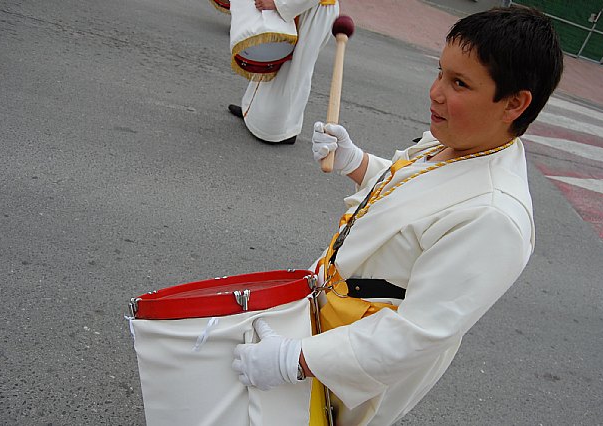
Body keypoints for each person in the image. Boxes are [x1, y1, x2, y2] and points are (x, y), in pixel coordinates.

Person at [232, 5, 563, 425]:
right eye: (440, 72)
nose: (436, 93)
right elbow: (410, 191)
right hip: (321, 314)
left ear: (515, 103)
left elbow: (416, 334)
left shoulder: (495, 217)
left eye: (459, 83)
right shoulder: (459, 141)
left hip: (348, 365)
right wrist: (357, 163)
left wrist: (294, 359)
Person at [228, 0, 340, 145]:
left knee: (295, 68)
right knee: (273, 58)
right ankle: (254, 115)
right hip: (300, 6)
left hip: (312, 10)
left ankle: (282, 130)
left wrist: (279, 4)